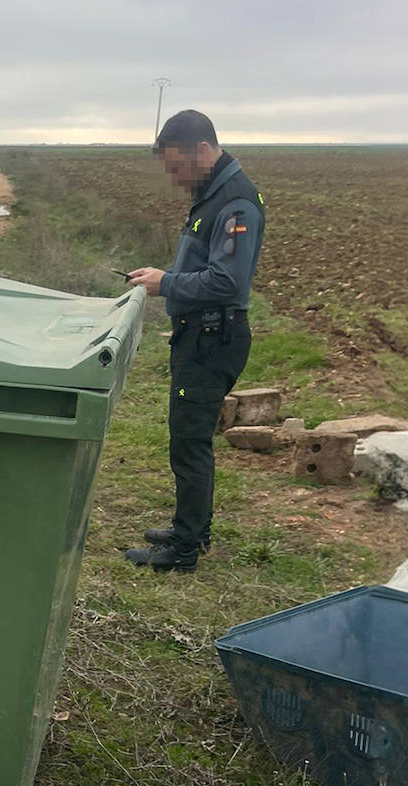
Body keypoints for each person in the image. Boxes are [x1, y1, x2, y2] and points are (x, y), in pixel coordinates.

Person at [124, 110, 265, 573]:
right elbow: (201, 267)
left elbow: (227, 282)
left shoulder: (236, 203)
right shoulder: (213, 195)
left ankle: (183, 551)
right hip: (200, 335)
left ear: (202, 150)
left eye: (175, 167)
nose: (173, 178)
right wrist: (164, 278)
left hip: (213, 339)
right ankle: (192, 530)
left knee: (189, 443)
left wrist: (167, 284)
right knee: (188, 439)